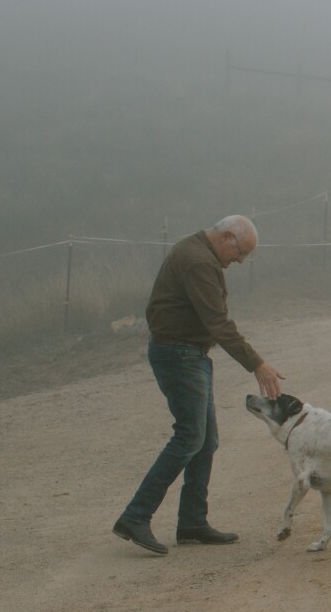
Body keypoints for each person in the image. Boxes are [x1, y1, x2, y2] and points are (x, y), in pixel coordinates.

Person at [113, 215, 284, 555]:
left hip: (187, 352)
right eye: (240, 253)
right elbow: (218, 322)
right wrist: (257, 363)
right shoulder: (198, 262)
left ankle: (192, 522)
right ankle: (135, 516)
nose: (239, 261)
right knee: (191, 436)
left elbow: (212, 322)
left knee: (205, 441)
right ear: (227, 237)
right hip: (179, 354)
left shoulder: (199, 253)